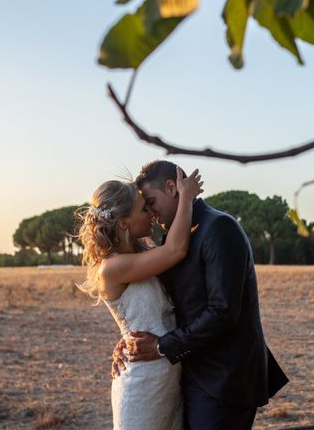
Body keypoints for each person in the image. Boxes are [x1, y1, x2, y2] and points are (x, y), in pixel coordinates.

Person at [114, 160, 288, 430]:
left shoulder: (219, 227)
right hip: (188, 372)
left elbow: (223, 312)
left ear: (172, 188)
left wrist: (161, 346)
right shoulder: (174, 236)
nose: (150, 212)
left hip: (224, 378)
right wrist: (129, 340)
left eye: (151, 201)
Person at [76, 167, 204, 430]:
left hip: (169, 377)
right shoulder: (111, 268)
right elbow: (177, 249)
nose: (152, 213)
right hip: (142, 383)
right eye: (144, 209)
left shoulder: (143, 254)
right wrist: (186, 198)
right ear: (123, 222)